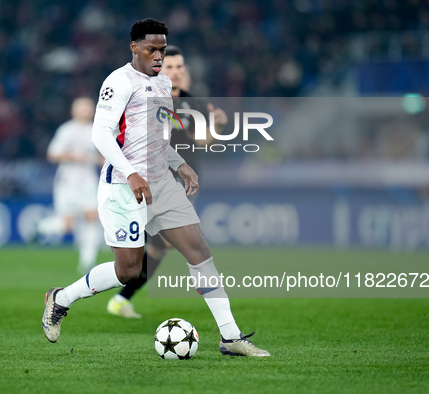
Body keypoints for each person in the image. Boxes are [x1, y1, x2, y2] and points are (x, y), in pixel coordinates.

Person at [41, 18, 270, 357]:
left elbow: (159, 136)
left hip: (162, 182)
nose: (159, 56)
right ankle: (61, 298)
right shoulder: (118, 82)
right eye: (152, 49)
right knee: (128, 271)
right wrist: (132, 173)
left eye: (163, 49)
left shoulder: (163, 84)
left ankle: (230, 336)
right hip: (123, 186)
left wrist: (180, 164)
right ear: (134, 47)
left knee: (198, 250)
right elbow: (101, 134)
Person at [106, 45, 228, 318]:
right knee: (157, 247)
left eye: (180, 67)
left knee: (161, 247)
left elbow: (201, 141)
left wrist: (217, 126)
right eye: (170, 66)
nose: (176, 71)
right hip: (151, 180)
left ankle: (120, 298)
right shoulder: (148, 97)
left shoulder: (191, 102)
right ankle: (117, 293)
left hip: (180, 181)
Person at [33, 97, 103, 273]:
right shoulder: (66, 130)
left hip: (88, 180)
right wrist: (73, 157)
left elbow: (100, 155)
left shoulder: (97, 130)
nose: (86, 111)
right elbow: (52, 154)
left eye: (88, 108)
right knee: (68, 224)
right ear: (74, 110)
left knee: (91, 217)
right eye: (82, 108)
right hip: (68, 182)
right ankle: (41, 228)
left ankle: (87, 262)